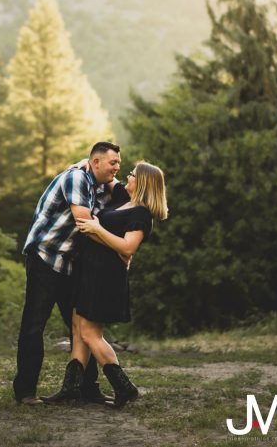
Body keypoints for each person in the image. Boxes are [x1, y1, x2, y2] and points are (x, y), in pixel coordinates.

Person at [44, 161, 168, 408]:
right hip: (88, 270)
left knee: (90, 333)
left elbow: (128, 247)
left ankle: (124, 387)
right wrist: (83, 163)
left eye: (132, 174)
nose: (127, 176)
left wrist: (97, 228)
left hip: (105, 276)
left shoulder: (141, 214)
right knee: (78, 327)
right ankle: (71, 388)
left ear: (141, 182)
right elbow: (103, 174)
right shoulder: (123, 196)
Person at [12, 141, 123, 405]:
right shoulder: (76, 177)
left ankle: (87, 389)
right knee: (33, 325)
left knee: (81, 325)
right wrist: (120, 250)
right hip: (45, 258)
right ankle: (25, 391)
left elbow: (121, 197)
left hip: (70, 264)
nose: (118, 167)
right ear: (96, 162)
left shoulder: (98, 183)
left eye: (119, 162)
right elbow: (85, 223)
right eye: (113, 163)